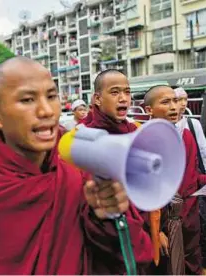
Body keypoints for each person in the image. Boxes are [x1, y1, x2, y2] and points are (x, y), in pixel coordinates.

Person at [0, 57, 152, 275]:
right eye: (28, 100)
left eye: (51, 96)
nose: (47, 111)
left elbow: (135, 256)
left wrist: (106, 219)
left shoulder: (77, 178)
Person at [87, 69, 158, 271]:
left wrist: (155, 230)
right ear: (98, 99)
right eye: (115, 92)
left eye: (127, 92)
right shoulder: (84, 137)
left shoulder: (135, 132)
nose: (123, 98)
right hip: (105, 237)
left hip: (141, 229)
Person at [144, 85, 206, 275]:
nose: (174, 107)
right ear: (149, 110)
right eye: (165, 102)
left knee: (193, 266)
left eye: (175, 100)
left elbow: (192, 175)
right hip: (164, 224)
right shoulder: (144, 141)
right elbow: (145, 192)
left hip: (190, 219)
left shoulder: (185, 136)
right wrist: (156, 231)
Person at [175, 87, 206, 176]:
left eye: (185, 99)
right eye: (179, 100)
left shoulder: (193, 124)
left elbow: (203, 151)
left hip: (193, 176)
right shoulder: (162, 127)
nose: (183, 104)